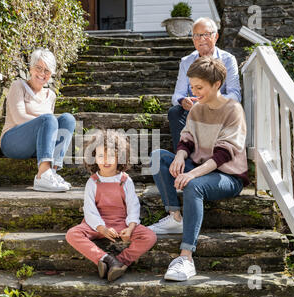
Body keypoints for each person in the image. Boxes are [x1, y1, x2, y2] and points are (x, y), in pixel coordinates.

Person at [148, 57, 249, 281]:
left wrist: (191, 173)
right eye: (192, 87)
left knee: (193, 185)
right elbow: (187, 138)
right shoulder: (197, 109)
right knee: (158, 158)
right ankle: (175, 216)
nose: (194, 92)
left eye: (199, 87)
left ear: (217, 84)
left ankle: (186, 258)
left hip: (227, 175)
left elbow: (224, 155)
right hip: (199, 165)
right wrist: (180, 156)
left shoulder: (234, 110)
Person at [66, 130, 157, 282]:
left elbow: (133, 205)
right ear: (94, 158)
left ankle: (121, 261)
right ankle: (106, 259)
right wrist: (101, 227)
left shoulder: (125, 180)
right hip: (96, 224)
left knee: (150, 236)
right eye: (101, 156)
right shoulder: (93, 181)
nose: (105, 160)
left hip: (121, 223)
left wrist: (131, 226)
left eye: (110, 156)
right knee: (72, 234)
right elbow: (89, 209)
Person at [0, 48, 76, 192]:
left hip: (36, 146)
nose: (42, 73)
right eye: (38, 68)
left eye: (47, 71)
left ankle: (51, 172)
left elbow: (48, 130)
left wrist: (47, 124)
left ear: (51, 74)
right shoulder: (18, 86)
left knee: (68, 119)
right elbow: (18, 117)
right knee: (49, 120)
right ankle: (42, 175)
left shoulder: (51, 95)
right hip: (12, 141)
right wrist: (46, 122)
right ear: (30, 68)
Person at [168, 17, 242, 152]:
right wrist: (183, 100)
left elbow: (235, 94)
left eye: (206, 34)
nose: (201, 39)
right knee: (175, 112)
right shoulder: (186, 62)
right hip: (195, 110)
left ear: (216, 36)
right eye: (197, 35)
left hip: (219, 110)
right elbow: (177, 95)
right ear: (193, 40)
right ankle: (182, 156)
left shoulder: (228, 59)